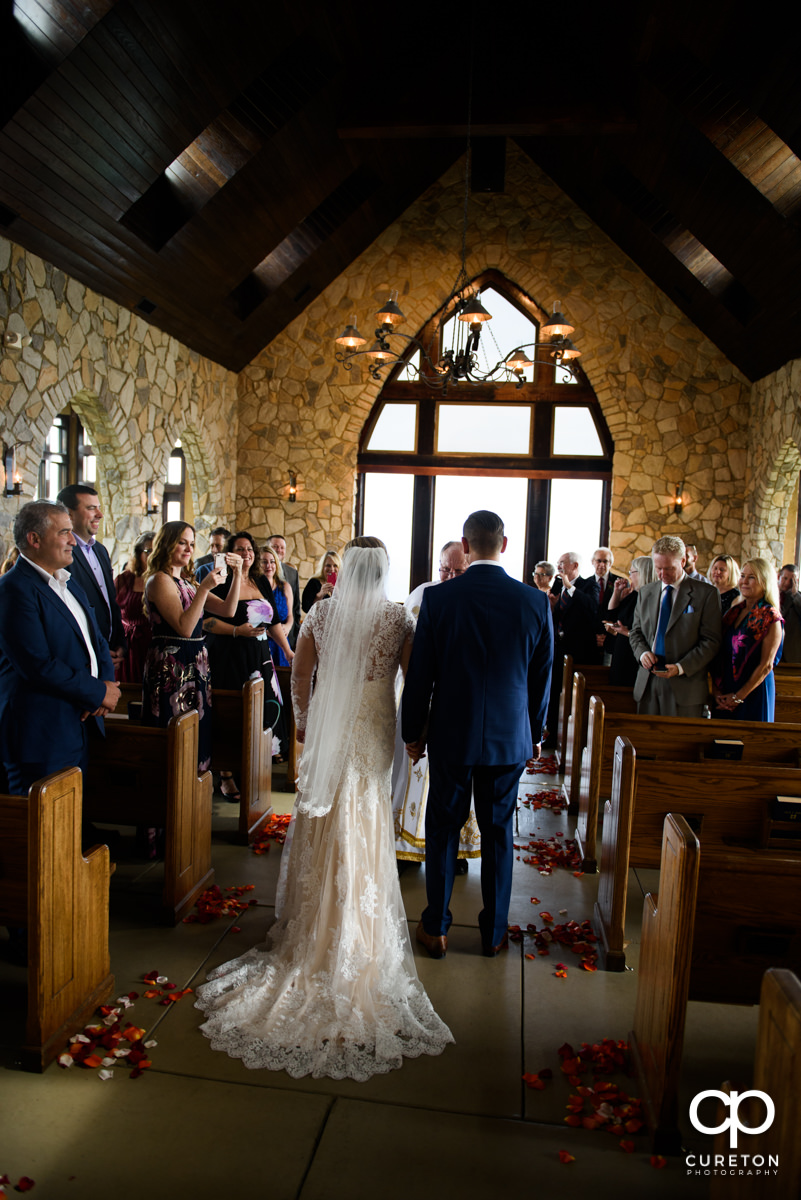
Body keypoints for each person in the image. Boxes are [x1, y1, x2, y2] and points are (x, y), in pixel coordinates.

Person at [195, 537, 453, 1081]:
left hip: (335, 730)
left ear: (346, 571)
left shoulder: (322, 612)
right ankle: (358, 929)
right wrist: (413, 733)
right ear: (381, 571)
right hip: (376, 726)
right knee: (366, 814)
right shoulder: (397, 619)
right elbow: (412, 684)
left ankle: (319, 924)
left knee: (330, 813)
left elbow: (299, 675)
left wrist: (307, 727)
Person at [402, 510, 553, 959]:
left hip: (451, 733)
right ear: (503, 545)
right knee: (499, 831)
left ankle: (437, 928)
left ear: (465, 547)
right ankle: (493, 935)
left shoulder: (441, 599)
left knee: (443, 828)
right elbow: (541, 680)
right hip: (509, 738)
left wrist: (414, 732)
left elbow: (420, 676)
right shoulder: (535, 602)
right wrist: (536, 731)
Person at [0, 500, 119, 795]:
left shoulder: (68, 582)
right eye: (64, 532)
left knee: (70, 814)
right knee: (42, 825)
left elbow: (96, 639)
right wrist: (98, 692)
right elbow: (37, 664)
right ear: (34, 539)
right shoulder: (14, 590)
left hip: (78, 718)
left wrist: (104, 685)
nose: (72, 541)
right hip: (40, 728)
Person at [392, 540, 480, 872]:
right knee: (412, 767)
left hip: (455, 702)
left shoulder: (473, 598)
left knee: (454, 777)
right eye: (446, 569)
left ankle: (455, 849)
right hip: (417, 694)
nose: (450, 576)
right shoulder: (422, 595)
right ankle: (405, 846)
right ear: (438, 565)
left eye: (459, 570)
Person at [141, 522, 243, 772]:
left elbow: (228, 610)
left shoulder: (188, 582)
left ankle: (194, 792)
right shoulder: (160, 581)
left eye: (192, 544)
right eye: (182, 542)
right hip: (172, 665)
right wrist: (206, 586)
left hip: (196, 664)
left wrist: (238, 574)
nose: (188, 548)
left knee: (197, 726)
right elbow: (184, 627)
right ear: (167, 543)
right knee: (174, 727)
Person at [204, 531, 293, 797]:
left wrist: (288, 651)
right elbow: (206, 622)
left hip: (259, 657)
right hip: (228, 656)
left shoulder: (260, 581)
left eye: (249, 549)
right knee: (232, 716)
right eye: (239, 549)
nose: (246, 553)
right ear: (229, 554)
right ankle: (226, 775)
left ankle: (254, 772)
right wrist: (236, 631)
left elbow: (273, 622)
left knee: (262, 715)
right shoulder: (219, 580)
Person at [629, 535, 722, 717]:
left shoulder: (706, 594)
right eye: (658, 568)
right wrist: (642, 653)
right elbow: (636, 632)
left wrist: (681, 667)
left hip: (685, 685)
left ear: (684, 561)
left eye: (669, 568)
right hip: (648, 682)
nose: (663, 574)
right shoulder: (646, 592)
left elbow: (711, 641)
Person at [56, 483, 127, 670]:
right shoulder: (62, 554)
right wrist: (97, 651)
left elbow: (110, 601)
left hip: (108, 651)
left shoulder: (100, 550)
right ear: (69, 514)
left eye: (99, 508)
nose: (100, 514)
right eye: (91, 508)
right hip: (82, 657)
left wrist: (119, 643)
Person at [711, 558, 784, 721]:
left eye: (751, 577)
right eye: (742, 575)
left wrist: (738, 697)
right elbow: (720, 651)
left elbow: (766, 665)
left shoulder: (771, 617)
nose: (744, 581)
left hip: (753, 691)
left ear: (765, 582)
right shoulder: (734, 612)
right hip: (726, 688)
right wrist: (717, 690)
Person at [544, 550, 599, 746]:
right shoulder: (558, 587)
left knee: (573, 696)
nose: (558, 567)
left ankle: (571, 738)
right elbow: (557, 618)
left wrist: (570, 588)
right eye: (558, 563)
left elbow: (592, 607)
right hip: (559, 648)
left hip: (579, 650)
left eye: (562, 563)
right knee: (554, 690)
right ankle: (551, 733)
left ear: (575, 566)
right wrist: (552, 607)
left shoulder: (589, 584)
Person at [602, 555, 655, 686]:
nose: (630, 576)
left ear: (643, 573)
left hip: (633, 654)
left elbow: (649, 634)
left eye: (632, 572)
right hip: (620, 650)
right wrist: (617, 592)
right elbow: (612, 614)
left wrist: (626, 632)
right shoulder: (633, 595)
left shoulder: (650, 599)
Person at [114, 531, 155, 683]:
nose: (153, 556)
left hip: (154, 644)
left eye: (157, 551)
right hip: (128, 645)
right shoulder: (124, 579)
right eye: (149, 551)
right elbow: (111, 613)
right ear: (139, 554)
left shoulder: (167, 579)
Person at [260, 544, 294, 667]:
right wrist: (271, 631)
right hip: (263, 642)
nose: (269, 566)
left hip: (282, 643)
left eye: (272, 561)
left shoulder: (285, 587)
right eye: (264, 562)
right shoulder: (255, 588)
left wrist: (287, 627)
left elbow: (290, 614)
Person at [265, 534, 301, 649]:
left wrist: (292, 632)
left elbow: (295, 608)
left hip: (286, 636)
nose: (279, 550)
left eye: (282, 548)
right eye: (275, 546)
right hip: (263, 638)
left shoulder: (292, 573)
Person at [778, 563, 801, 664]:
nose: (787, 583)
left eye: (791, 580)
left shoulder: (798, 599)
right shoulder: (769, 595)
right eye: (785, 578)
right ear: (779, 577)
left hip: (791, 656)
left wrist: (795, 594)